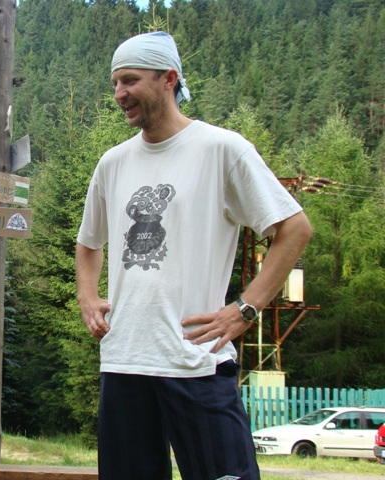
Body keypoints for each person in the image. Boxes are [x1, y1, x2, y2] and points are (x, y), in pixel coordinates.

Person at [75, 32, 313, 480]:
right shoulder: (113, 162)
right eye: (115, 83)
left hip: (196, 359)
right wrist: (88, 296)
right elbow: (89, 242)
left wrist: (246, 308)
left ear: (168, 79)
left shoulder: (222, 149)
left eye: (130, 80)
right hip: (124, 361)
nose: (119, 93)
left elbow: (294, 228)